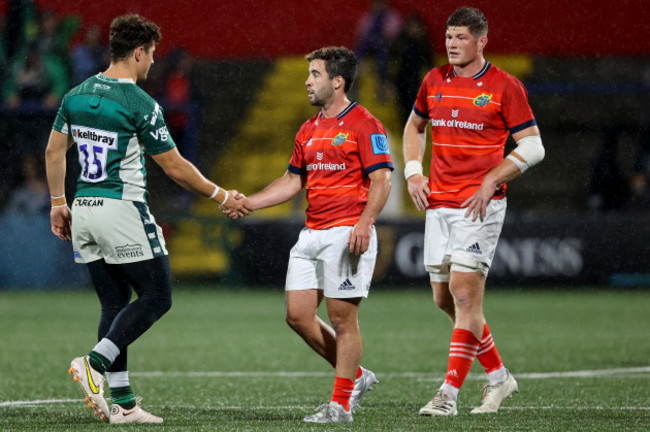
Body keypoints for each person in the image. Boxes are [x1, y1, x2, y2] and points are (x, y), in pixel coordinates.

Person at [45, 14, 251, 424]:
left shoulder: (77, 94)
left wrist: (57, 203)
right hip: (121, 209)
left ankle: (122, 404)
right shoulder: (140, 102)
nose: (153, 62)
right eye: (152, 54)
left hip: (83, 207)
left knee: (115, 302)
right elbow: (174, 166)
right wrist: (221, 194)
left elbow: (54, 152)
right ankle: (93, 364)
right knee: (158, 295)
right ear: (138, 52)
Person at [229, 46, 393, 423]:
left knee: (341, 319)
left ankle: (340, 405)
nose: (307, 81)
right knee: (298, 316)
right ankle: (356, 376)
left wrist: (366, 222)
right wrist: (249, 203)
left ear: (337, 81)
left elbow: (382, 178)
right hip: (312, 234)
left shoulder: (365, 123)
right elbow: (291, 181)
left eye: (315, 74)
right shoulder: (309, 128)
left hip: (346, 231)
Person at [402, 7, 544, 416]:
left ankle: (448, 394)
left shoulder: (504, 86)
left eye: (461, 38)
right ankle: (499, 378)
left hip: (479, 205)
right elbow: (414, 126)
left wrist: (490, 179)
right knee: (445, 299)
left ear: (482, 41)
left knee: (465, 295)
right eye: (448, 37)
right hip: (438, 203)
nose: (451, 44)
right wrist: (413, 173)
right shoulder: (434, 80)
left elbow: (533, 146)